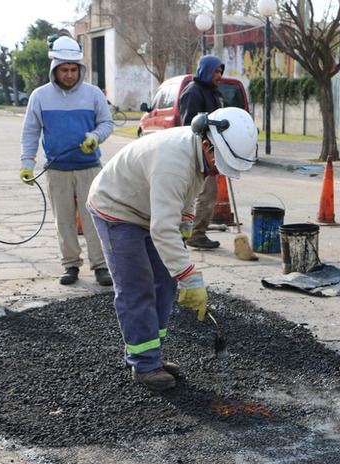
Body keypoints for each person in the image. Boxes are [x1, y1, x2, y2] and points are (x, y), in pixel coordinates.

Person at [87, 107, 258, 390]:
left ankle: (152, 353)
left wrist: (185, 227)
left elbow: (184, 199)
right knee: (137, 287)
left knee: (164, 281)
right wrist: (190, 277)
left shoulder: (199, 155)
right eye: (222, 163)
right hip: (116, 209)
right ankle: (144, 365)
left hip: (147, 209)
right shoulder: (173, 163)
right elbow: (162, 228)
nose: (220, 171)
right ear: (207, 144)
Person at [19, 35, 114, 286]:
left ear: (79, 69)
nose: (70, 74)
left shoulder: (93, 94)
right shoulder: (39, 96)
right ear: (55, 70)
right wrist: (27, 162)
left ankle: (101, 266)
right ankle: (70, 265)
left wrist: (96, 136)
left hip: (89, 168)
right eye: (65, 70)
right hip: (56, 169)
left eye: (74, 69)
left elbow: (107, 123)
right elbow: (31, 131)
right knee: (64, 221)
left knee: (95, 219)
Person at [178, 55, 225, 250]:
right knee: (206, 193)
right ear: (205, 71)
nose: (219, 75)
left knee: (205, 193)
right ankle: (196, 234)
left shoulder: (213, 92)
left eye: (221, 72)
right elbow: (189, 125)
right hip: (199, 153)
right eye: (216, 71)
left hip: (211, 152)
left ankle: (192, 231)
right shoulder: (194, 92)